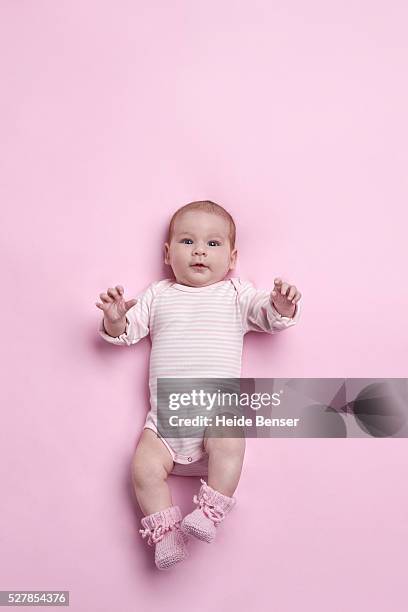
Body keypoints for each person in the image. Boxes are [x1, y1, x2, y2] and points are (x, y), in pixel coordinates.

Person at [96, 200, 302, 570]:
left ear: (233, 257)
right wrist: (114, 320)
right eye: (187, 241)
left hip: (214, 419)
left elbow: (267, 316)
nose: (199, 252)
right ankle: (166, 534)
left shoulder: (237, 294)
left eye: (213, 244)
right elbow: (127, 332)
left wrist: (281, 306)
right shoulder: (157, 296)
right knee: (142, 469)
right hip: (163, 426)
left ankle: (209, 512)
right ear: (167, 253)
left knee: (230, 438)